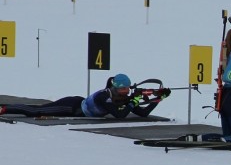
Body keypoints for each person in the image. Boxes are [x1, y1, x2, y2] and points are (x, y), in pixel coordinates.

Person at [0, 74, 171, 120]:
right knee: (36, 111)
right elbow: (120, 114)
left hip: (77, 105)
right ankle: (5, 108)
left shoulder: (117, 97)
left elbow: (142, 113)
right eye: (125, 89)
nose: (128, 91)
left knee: (39, 109)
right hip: (71, 107)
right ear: (117, 88)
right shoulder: (105, 97)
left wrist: (158, 98)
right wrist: (133, 101)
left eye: (128, 88)